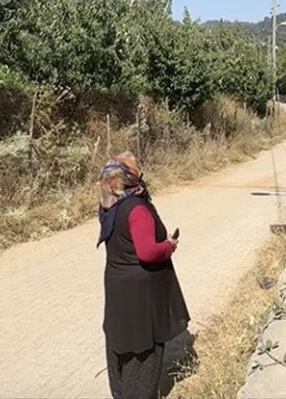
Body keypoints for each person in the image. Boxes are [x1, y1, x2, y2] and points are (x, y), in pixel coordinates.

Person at [97, 152, 189, 399]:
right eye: (138, 170)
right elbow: (147, 252)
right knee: (142, 355)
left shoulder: (109, 203)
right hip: (141, 295)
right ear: (129, 177)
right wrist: (169, 245)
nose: (142, 175)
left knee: (120, 347)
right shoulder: (136, 208)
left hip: (118, 287)